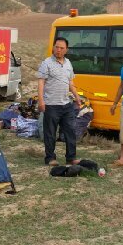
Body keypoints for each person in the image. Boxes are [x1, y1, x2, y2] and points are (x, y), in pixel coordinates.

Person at [37, 37, 82, 166]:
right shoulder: (46, 63)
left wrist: (77, 96)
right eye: (56, 47)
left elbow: (70, 82)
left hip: (66, 104)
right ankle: (50, 158)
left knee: (70, 132)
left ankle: (71, 158)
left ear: (66, 50)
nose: (58, 50)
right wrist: (41, 101)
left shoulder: (68, 63)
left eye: (61, 48)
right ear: (53, 48)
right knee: (50, 133)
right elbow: (41, 82)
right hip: (51, 104)